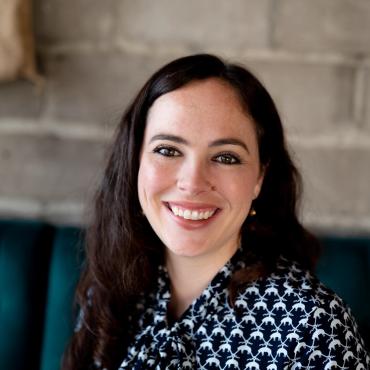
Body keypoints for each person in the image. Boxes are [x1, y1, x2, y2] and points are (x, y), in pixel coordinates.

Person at [62, 54, 369, 370]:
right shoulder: (112, 289)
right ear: (136, 162)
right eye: (167, 150)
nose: (192, 183)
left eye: (226, 157)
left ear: (259, 178)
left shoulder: (312, 328)